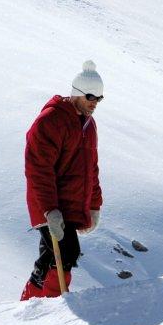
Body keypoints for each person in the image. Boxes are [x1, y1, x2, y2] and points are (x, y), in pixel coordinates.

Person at [20, 60, 105, 300]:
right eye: (90, 96)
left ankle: (31, 302)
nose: (94, 103)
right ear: (77, 93)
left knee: (51, 255)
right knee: (67, 252)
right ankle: (51, 304)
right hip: (49, 203)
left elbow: (91, 168)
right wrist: (49, 210)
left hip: (69, 204)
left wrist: (94, 205)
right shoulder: (51, 120)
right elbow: (38, 169)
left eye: (99, 98)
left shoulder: (89, 125)